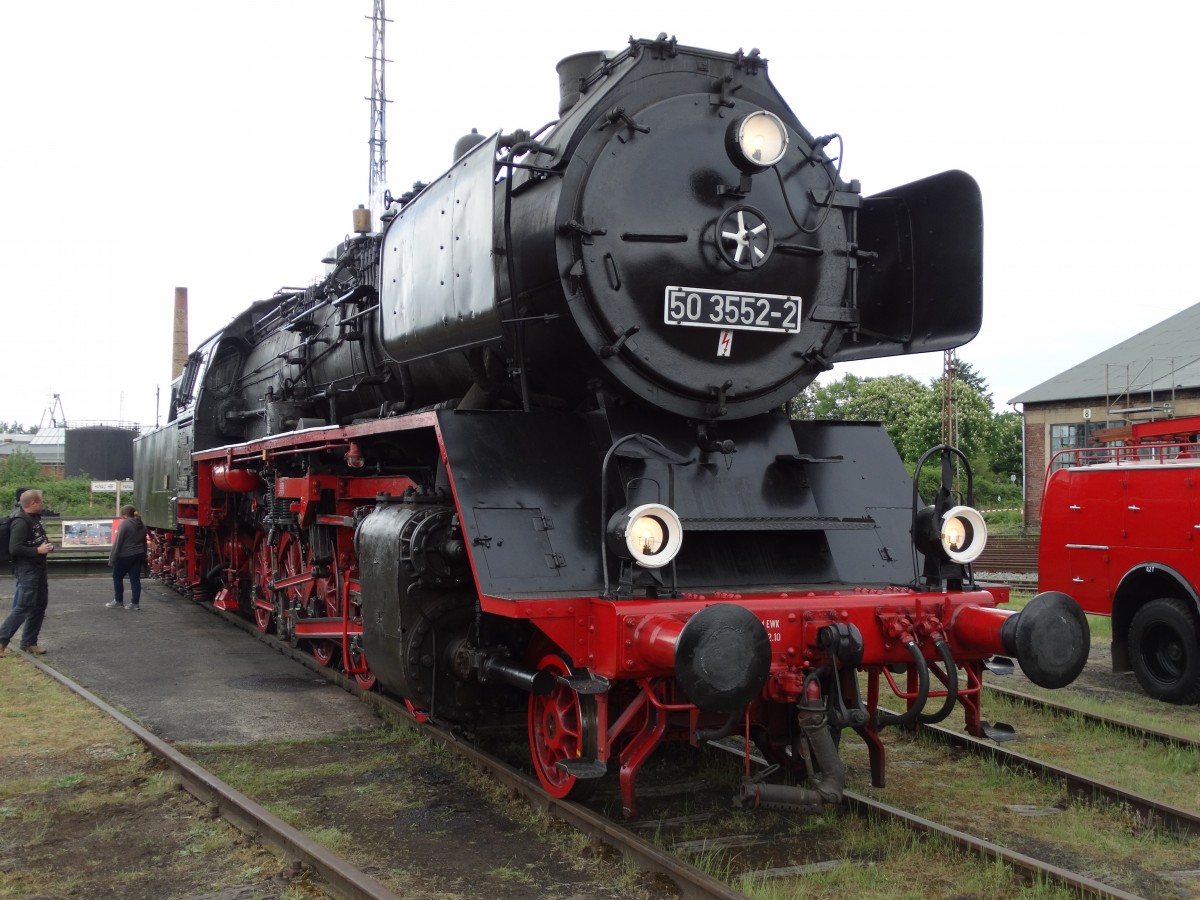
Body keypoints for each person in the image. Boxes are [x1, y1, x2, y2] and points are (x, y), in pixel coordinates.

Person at [0, 489, 53, 656]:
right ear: (33, 503)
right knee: (24, 606)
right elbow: (14, 548)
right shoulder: (20, 522)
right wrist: (38, 550)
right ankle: (2, 641)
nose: (42, 504)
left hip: (38, 567)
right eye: (41, 502)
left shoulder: (34, 519)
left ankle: (30, 642)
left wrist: (46, 547)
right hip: (27, 569)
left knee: (39, 605)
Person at [106, 505, 147, 610]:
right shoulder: (141, 524)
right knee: (135, 579)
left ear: (124, 515)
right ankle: (134, 603)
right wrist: (144, 555)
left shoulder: (125, 524)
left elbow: (118, 542)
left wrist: (112, 558)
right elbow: (144, 542)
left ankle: (118, 601)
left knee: (117, 577)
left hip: (125, 555)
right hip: (138, 554)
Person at [8, 488, 27, 610]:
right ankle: (17, 609)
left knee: (21, 583)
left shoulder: (15, 513)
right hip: (21, 555)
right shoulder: (19, 516)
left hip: (19, 554)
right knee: (22, 583)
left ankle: (19, 608)